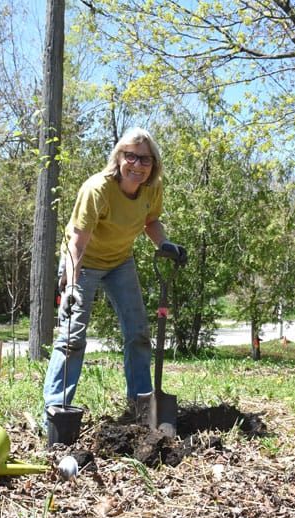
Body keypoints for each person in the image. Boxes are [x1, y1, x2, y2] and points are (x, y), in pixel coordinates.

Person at [42, 127, 186, 428]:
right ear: (119, 158)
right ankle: (55, 416)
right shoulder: (97, 189)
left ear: (153, 164)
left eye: (145, 159)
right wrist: (70, 286)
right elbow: (76, 243)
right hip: (82, 263)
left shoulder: (151, 188)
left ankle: (140, 408)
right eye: (130, 156)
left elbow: (150, 220)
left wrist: (164, 244)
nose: (137, 164)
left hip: (120, 262)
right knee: (72, 339)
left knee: (138, 334)